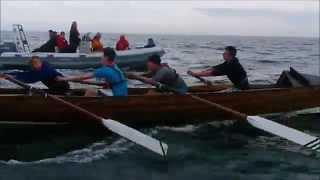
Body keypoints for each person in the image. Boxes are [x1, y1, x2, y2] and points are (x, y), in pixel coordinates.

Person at [60, 47, 128, 97]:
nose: (101, 57)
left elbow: (82, 77)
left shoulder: (104, 70)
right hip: (123, 94)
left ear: (106, 58)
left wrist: (64, 79)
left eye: (102, 55)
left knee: (90, 91)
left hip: (117, 96)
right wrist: (85, 82)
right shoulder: (115, 66)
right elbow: (111, 82)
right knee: (94, 90)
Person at [4, 56, 70, 94]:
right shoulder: (40, 67)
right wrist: (8, 74)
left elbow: (30, 78)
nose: (34, 66)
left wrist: (13, 77)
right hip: (53, 88)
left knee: (36, 93)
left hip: (62, 88)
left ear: (40, 62)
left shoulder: (45, 70)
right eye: (32, 64)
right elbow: (26, 73)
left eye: (35, 63)